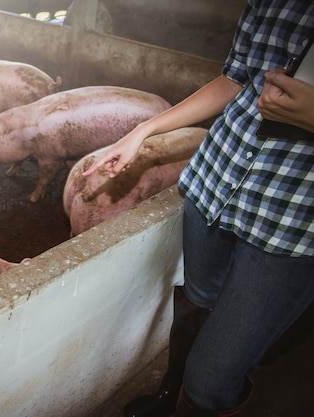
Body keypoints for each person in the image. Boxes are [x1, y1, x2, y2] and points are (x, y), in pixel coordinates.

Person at [82, 1, 314, 416]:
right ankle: (171, 393)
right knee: (197, 296)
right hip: (215, 178)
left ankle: (196, 396)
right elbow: (236, 77)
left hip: (292, 217)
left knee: (212, 381)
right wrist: (144, 129)